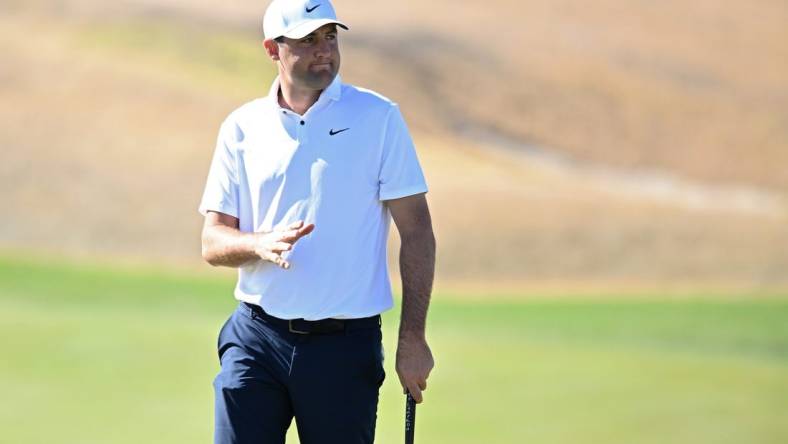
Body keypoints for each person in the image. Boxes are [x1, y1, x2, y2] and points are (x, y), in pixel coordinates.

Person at [197, 0, 435, 443]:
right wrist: (258, 244)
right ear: (273, 49)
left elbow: (418, 231)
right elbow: (212, 242)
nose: (323, 49)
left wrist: (413, 339)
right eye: (307, 40)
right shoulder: (242, 127)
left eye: (329, 37)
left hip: (343, 348)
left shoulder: (378, 118)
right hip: (256, 337)